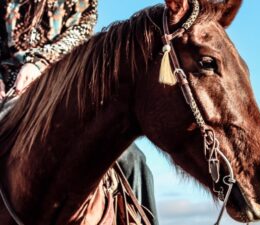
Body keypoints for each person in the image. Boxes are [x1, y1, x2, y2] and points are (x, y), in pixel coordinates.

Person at [0, 1, 158, 224]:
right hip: (10, 89)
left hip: (61, 92)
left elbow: (80, 34)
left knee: (134, 160)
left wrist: (39, 64)